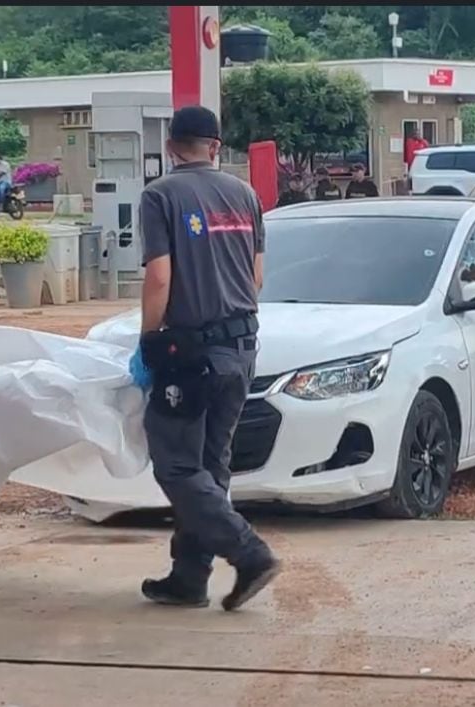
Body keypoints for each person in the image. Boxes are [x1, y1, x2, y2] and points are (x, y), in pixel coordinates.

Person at [129, 105, 281, 612]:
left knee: (176, 466)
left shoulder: (160, 195)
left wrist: (149, 339)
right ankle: (189, 577)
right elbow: (256, 277)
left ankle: (250, 553)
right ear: (216, 147)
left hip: (192, 353)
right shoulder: (245, 195)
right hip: (242, 346)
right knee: (212, 467)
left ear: (170, 146)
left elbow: (159, 277)